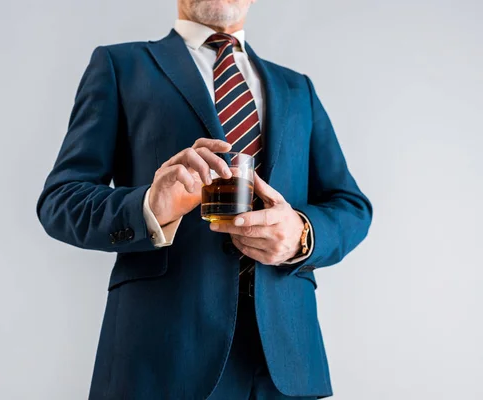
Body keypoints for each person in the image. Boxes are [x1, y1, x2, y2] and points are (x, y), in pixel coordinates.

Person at [36, 0, 373, 398]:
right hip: (160, 358)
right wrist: (150, 208)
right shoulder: (119, 66)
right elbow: (61, 199)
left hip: (284, 364)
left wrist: (301, 234)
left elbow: (351, 206)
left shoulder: (297, 88)